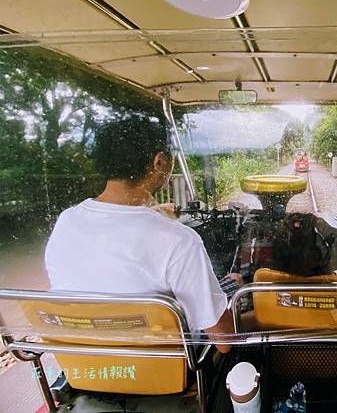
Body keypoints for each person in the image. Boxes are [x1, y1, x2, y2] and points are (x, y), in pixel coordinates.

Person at [45, 114, 234, 353]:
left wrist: (155, 214)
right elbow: (225, 342)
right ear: (159, 161)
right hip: (166, 371)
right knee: (236, 286)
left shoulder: (67, 221)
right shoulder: (179, 240)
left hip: (84, 362)